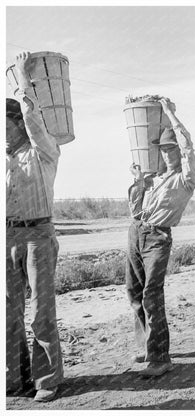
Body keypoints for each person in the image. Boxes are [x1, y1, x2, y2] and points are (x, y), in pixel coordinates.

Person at [126, 97, 195, 376]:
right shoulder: (155, 177)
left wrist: (169, 112)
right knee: (134, 292)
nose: (168, 153)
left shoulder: (186, 178)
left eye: (172, 149)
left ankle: (160, 358)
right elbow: (135, 210)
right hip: (136, 233)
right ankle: (147, 347)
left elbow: (188, 146)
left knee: (151, 294)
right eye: (164, 149)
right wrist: (138, 183)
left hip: (158, 237)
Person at [6, 52, 63, 401]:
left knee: (42, 311)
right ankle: (15, 378)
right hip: (7, 236)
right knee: (8, 311)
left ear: (17, 125)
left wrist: (24, 86)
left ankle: (47, 381)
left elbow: (35, 122)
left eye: (5, 126)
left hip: (39, 236)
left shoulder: (44, 152)